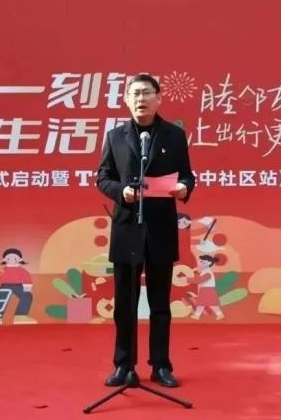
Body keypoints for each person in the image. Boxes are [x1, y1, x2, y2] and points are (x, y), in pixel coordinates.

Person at [96, 73, 195, 388]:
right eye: (135, 93)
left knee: (160, 304)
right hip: (127, 227)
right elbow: (103, 177)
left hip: (161, 228)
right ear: (127, 99)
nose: (141, 99)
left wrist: (184, 187)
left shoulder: (174, 136)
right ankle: (123, 365)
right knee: (125, 304)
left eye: (147, 93)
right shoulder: (115, 136)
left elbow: (187, 176)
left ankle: (161, 365)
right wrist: (122, 191)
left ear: (158, 98)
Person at [186, 255, 224, 320]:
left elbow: (200, 280)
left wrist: (187, 279)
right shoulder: (204, 271)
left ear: (209, 263)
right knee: (203, 303)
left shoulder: (208, 272)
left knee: (209, 304)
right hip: (205, 289)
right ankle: (197, 315)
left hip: (207, 290)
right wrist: (194, 272)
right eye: (201, 261)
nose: (200, 263)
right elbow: (199, 277)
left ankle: (219, 314)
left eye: (203, 262)